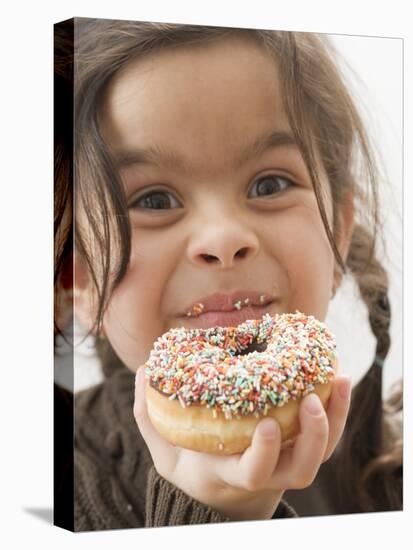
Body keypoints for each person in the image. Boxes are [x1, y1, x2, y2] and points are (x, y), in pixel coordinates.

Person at [55, 18, 403, 531]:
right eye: (154, 200)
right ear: (79, 278)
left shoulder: (390, 468)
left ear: (339, 234)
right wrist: (214, 511)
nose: (223, 238)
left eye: (269, 184)